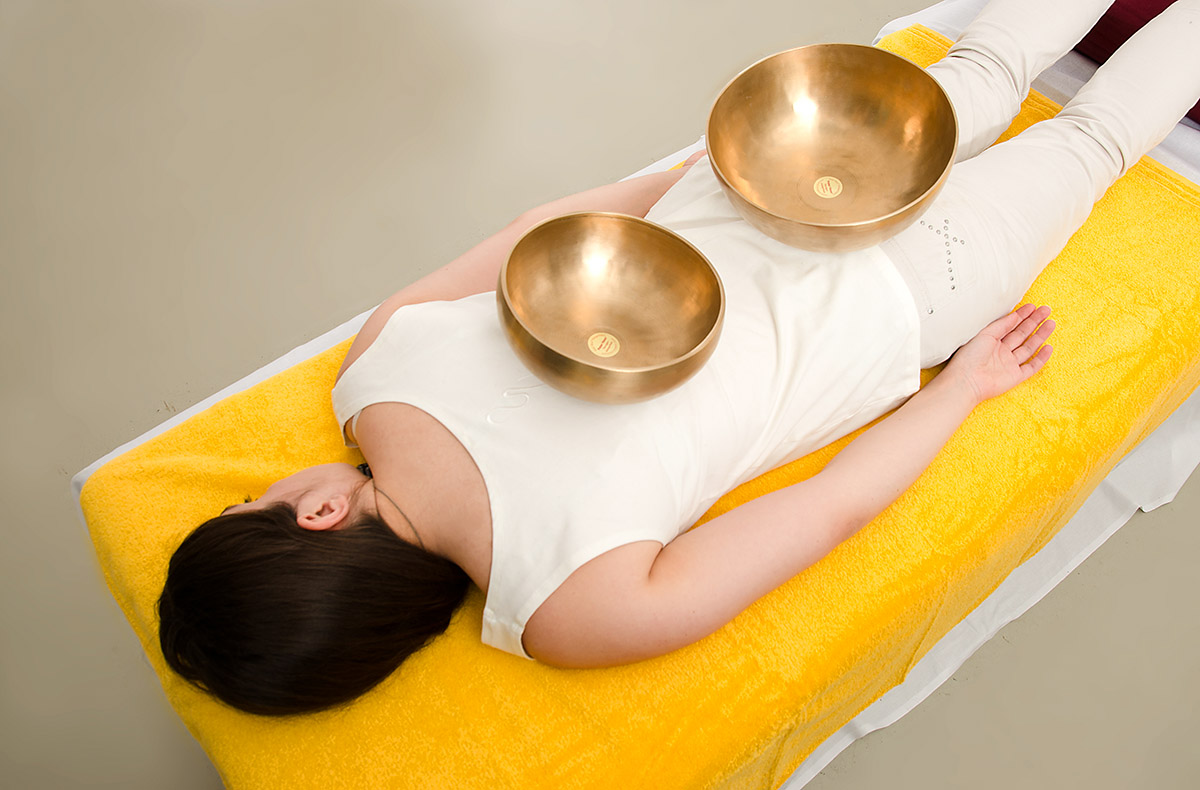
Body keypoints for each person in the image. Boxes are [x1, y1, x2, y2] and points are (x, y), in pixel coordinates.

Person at [158, 0, 1200, 716]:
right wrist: (701, 178)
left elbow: (829, 509)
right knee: (984, 70)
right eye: (254, 502)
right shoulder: (375, 370)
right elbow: (538, 229)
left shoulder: (572, 614)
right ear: (319, 514)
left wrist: (963, 386)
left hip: (910, 294)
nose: (268, 484)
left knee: (1094, 142)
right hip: (783, 179)